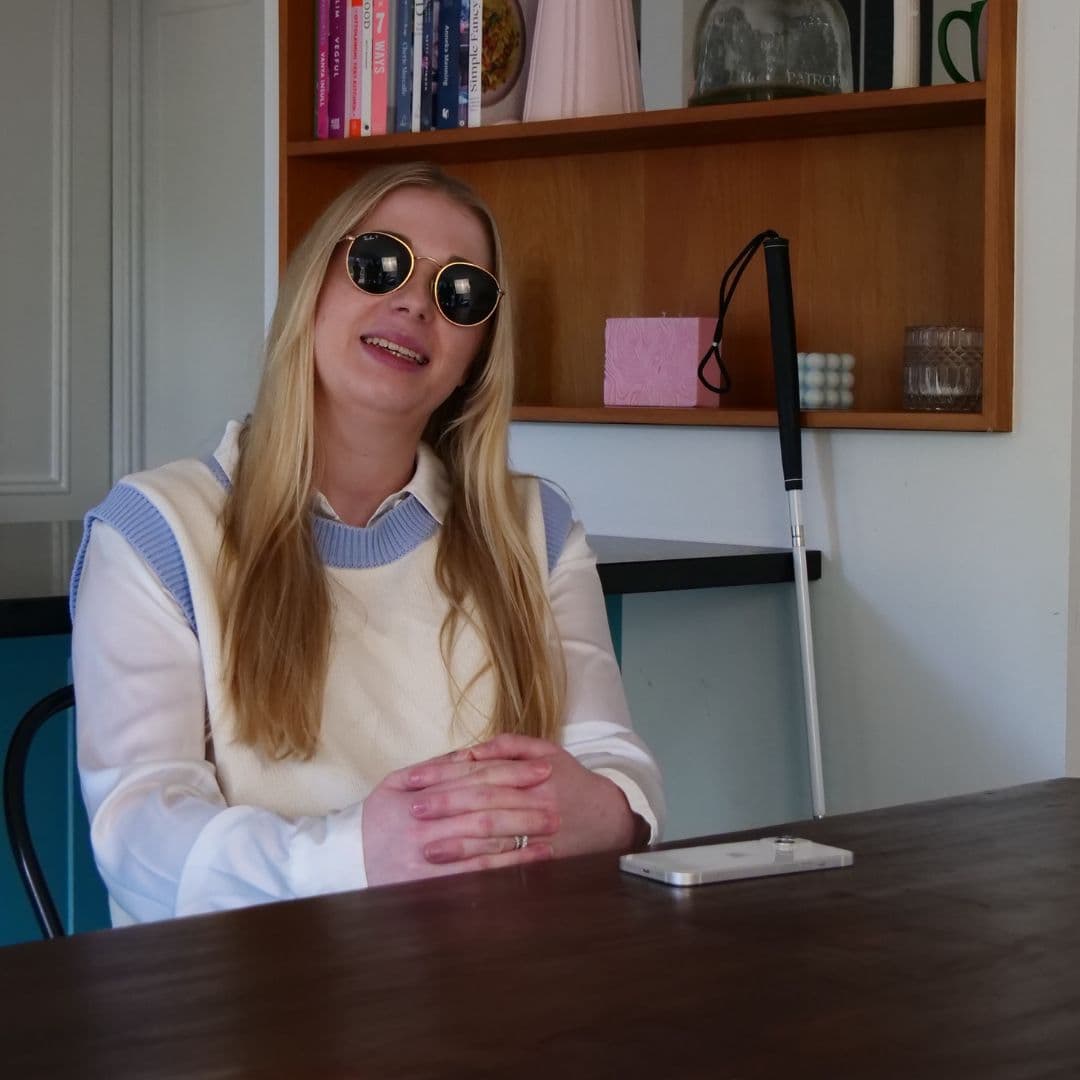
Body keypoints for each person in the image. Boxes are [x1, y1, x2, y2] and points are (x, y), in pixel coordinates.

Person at [71, 162, 664, 926]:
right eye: (380, 262)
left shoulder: (535, 528)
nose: (415, 302)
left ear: (477, 354)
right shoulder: (155, 530)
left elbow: (614, 761)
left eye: (461, 293)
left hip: (492, 985)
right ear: (312, 286)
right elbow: (137, 834)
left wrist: (610, 811)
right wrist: (355, 856)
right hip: (248, 995)